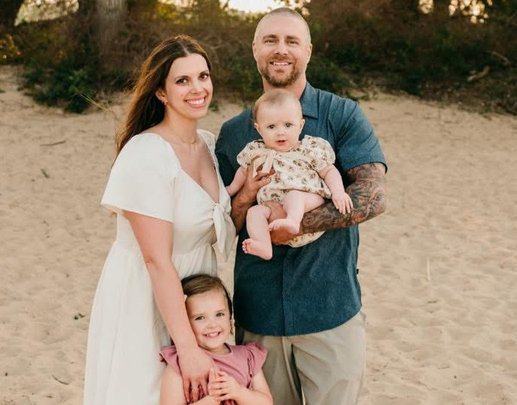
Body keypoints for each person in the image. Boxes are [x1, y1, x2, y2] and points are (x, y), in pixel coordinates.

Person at [215, 7, 388, 405]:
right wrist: (248, 196)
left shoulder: (341, 114)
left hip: (330, 307)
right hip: (259, 314)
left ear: (308, 51)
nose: (281, 49)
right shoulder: (235, 132)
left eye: (292, 41)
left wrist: (296, 221)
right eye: (271, 40)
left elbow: (373, 197)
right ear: (255, 49)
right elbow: (225, 221)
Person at [83, 35, 236, 405]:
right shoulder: (147, 153)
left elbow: (217, 217)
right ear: (161, 92)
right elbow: (155, 258)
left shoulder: (207, 144)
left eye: (203, 76)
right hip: (147, 294)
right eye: (182, 80)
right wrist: (187, 347)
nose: (197, 88)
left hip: (196, 295)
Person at [225, 89, 352, 260]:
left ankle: (292, 220)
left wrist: (338, 192)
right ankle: (263, 245)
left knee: (294, 196)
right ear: (259, 129)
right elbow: (243, 171)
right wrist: (232, 189)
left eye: (288, 125)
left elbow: (329, 171)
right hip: (273, 210)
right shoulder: (256, 151)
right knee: (254, 212)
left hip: (307, 200)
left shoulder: (308, 148)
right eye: (271, 127)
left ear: (301, 125)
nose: (280, 132)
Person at [159, 274, 273, 405]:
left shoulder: (248, 357)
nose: (212, 324)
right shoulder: (181, 363)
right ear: (185, 323)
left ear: (230, 317)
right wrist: (211, 401)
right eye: (200, 318)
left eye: (219, 314)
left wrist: (239, 392)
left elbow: (266, 402)